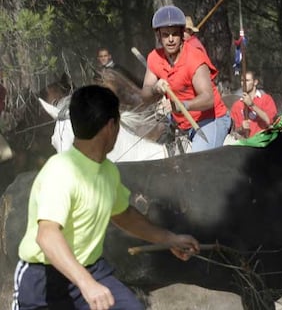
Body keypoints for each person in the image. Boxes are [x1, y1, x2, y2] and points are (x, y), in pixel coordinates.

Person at [12, 85, 199, 310]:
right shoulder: (60, 171)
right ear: (111, 126)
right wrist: (86, 283)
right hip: (43, 279)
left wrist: (168, 238)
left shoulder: (107, 170)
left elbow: (124, 215)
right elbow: (47, 236)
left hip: (91, 269)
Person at [142, 5, 231, 153]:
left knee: (196, 166)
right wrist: (154, 88)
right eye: (165, 35)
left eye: (174, 34)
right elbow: (145, 95)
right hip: (180, 125)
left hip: (210, 120)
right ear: (158, 35)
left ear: (182, 33)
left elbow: (208, 99)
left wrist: (183, 106)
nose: (170, 40)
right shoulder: (154, 57)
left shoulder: (195, 58)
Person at [230, 70, 277, 138]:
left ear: (255, 82)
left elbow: (269, 121)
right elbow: (235, 130)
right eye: (242, 81)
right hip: (246, 144)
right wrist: (242, 128)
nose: (244, 83)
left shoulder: (266, 99)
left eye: (247, 80)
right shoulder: (237, 105)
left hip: (263, 141)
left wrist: (252, 105)